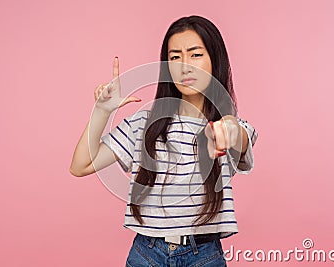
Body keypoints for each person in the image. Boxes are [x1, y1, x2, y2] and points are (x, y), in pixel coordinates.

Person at [70, 15, 258, 267]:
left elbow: (239, 135)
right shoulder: (144, 124)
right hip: (147, 253)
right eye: (175, 57)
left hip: (204, 255)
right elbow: (81, 165)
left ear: (216, 61)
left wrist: (229, 129)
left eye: (195, 54)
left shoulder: (229, 125)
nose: (184, 66)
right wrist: (102, 110)